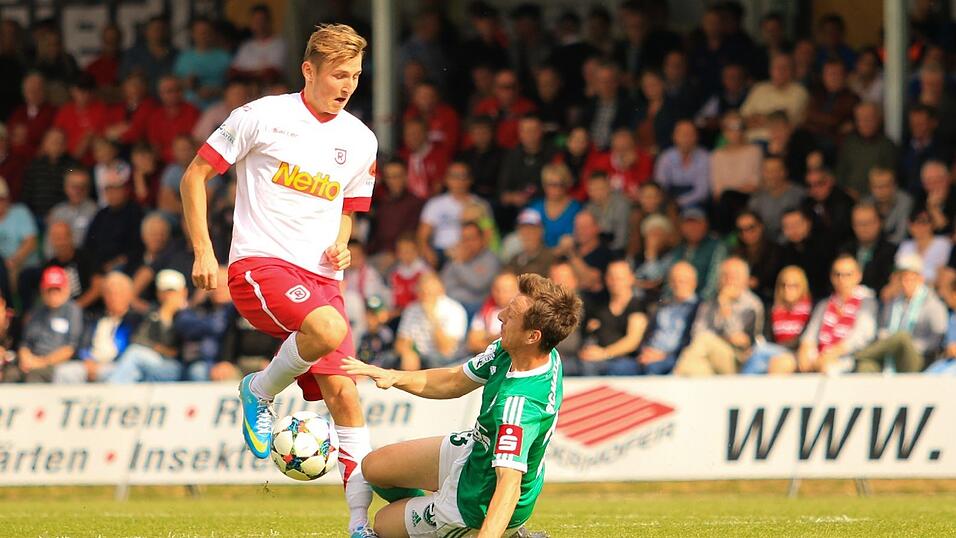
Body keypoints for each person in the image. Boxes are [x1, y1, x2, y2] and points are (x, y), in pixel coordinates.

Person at [179, 24, 378, 537]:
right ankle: (261, 389)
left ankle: (360, 525)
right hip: (260, 267)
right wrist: (205, 249)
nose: (347, 85)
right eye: (338, 74)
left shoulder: (360, 139)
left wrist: (343, 242)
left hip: (323, 281)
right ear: (308, 70)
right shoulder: (262, 116)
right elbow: (194, 176)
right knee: (331, 330)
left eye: (355, 76)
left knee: (347, 399)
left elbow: (349, 209)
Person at [343, 273, 582, 538]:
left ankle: (492, 529)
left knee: (383, 523)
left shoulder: (517, 406)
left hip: (476, 502)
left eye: (511, 314)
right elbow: (455, 381)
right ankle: (432, 508)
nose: (500, 316)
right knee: (374, 467)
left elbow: (509, 484)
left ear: (532, 336)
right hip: (476, 450)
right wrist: (394, 376)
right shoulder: (527, 352)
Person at [778, 255, 878, 374]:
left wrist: (832, 353)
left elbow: (862, 336)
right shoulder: (824, 304)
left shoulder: (867, 301)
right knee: (781, 364)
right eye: (837, 274)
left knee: (827, 367)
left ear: (858, 276)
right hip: (819, 355)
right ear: (832, 277)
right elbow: (810, 335)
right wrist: (804, 352)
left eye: (848, 274)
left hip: (849, 357)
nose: (842, 279)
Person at [853, 255, 947, 373]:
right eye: (902, 279)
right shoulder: (895, 302)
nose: (905, 283)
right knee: (866, 365)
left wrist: (913, 345)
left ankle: (857, 355)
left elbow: (938, 338)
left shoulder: (934, 304)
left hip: (920, 358)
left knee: (902, 337)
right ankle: (862, 359)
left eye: (910, 279)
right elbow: (883, 327)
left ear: (920, 279)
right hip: (892, 354)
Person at [673, 258, 764, 376]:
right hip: (710, 357)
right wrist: (724, 337)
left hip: (737, 361)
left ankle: (674, 377)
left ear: (745, 279)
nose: (729, 280)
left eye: (734, 276)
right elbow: (696, 333)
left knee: (705, 341)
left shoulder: (752, 304)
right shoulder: (709, 303)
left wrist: (725, 304)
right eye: (725, 275)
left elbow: (742, 342)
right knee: (697, 368)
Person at [52, 271, 141, 383]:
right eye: (108, 293)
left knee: (120, 373)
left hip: (117, 365)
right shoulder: (94, 318)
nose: (112, 298)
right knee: (64, 372)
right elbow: (82, 344)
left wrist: (104, 365)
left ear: (128, 295)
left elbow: (132, 350)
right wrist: (87, 360)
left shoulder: (136, 321)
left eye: (117, 293)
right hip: (89, 364)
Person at [1, 266, 82, 383]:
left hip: (56, 363)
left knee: (34, 377)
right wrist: (25, 358)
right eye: (50, 289)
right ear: (43, 290)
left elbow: (70, 349)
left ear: (65, 289)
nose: (53, 294)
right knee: (11, 374)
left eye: (57, 289)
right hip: (33, 361)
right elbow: (25, 343)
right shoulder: (36, 312)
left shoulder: (73, 310)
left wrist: (43, 362)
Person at [106, 269, 187, 383]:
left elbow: (177, 351)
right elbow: (138, 340)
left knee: (134, 355)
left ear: (183, 292)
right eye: (164, 291)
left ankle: (110, 396)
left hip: (176, 366)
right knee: (105, 372)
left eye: (172, 291)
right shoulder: (152, 312)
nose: (167, 296)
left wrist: (166, 316)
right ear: (158, 293)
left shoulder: (188, 314)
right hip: (150, 361)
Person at [579, 260, 647, 375]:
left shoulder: (637, 306)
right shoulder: (599, 307)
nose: (615, 282)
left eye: (620, 278)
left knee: (592, 367)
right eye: (611, 277)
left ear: (631, 279)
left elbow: (633, 341)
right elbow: (589, 334)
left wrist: (605, 353)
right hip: (597, 359)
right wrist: (587, 350)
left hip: (627, 361)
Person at [741, 267, 813, 375]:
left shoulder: (811, 309)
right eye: (784, 285)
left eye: (794, 285)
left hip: (796, 354)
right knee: (758, 360)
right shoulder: (772, 310)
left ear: (802, 287)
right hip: (772, 352)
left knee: (759, 352)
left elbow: (805, 339)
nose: (788, 289)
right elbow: (766, 337)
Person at [417, 162, 489, 268]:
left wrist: (471, 251)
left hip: (471, 252)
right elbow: (422, 236)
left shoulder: (480, 204)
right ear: (446, 179)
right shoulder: (435, 204)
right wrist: (428, 253)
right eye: (454, 176)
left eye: (463, 176)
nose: (459, 181)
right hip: (440, 253)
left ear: (470, 179)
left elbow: (488, 235)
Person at [395, 271, 468, 371]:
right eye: (422, 291)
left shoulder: (454, 310)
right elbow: (401, 342)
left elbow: (446, 349)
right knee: (390, 359)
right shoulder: (412, 309)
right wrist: (408, 352)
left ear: (441, 291)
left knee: (433, 361)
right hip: (419, 357)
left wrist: (432, 317)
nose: (425, 295)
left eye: (429, 292)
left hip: (446, 360)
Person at [636, 261, 699, 375]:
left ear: (693, 282)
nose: (678, 284)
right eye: (674, 280)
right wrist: (646, 350)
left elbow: (694, 341)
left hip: (675, 357)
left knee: (652, 368)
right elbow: (648, 334)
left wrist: (663, 355)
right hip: (648, 355)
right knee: (617, 367)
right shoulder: (662, 307)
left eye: (682, 281)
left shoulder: (700, 308)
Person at [740, 53, 809, 142]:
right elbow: (742, 119)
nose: (781, 71)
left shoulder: (799, 91)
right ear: (770, 70)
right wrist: (771, 117)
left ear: (792, 71)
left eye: (785, 67)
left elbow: (784, 120)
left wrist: (757, 117)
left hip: (776, 143)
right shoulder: (759, 88)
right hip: (747, 141)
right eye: (777, 67)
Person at [835, 103, 898, 198]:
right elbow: (840, 173)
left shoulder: (887, 145)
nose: (865, 123)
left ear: (878, 119)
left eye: (869, 119)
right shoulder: (848, 142)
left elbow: (890, 177)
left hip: (877, 197)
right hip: (848, 196)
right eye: (860, 119)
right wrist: (846, 191)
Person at [441, 222, 501, 317]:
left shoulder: (490, 258)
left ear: (481, 239)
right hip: (453, 305)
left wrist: (459, 263)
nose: (467, 243)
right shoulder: (458, 256)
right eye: (464, 239)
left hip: (476, 308)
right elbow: (444, 283)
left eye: (471, 238)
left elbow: (478, 285)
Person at [840, 203, 898, 293]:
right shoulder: (845, 250)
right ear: (853, 226)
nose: (864, 228)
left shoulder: (892, 251)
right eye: (859, 223)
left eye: (869, 222)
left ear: (880, 223)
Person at [652, 120, 710, 210]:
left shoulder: (704, 157)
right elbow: (660, 185)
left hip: (695, 202)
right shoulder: (666, 157)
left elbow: (702, 191)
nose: (686, 138)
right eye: (682, 134)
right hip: (669, 200)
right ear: (674, 136)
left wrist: (678, 202)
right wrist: (670, 203)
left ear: (696, 137)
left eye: (690, 134)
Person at [527, 163, 581, 248]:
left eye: (561, 184)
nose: (557, 189)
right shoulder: (535, 207)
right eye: (551, 185)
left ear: (566, 185)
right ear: (544, 185)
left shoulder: (576, 208)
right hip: (539, 256)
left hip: (566, 257)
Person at [230, 4, 288, 83]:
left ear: (269, 21)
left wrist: (246, 73)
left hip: (271, 87)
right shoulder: (246, 46)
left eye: (262, 20)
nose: (259, 24)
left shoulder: (279, 44)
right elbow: (234, 72)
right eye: (255, 21)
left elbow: (272, 73)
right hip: (246, 87)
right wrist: (257, 73)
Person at [894, 209, 953, 287]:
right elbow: (897, 274)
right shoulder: (905, 245)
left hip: (932, 292)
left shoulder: (943, 243)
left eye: (924, 222)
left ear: (932, 224)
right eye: (914, 222)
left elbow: (942, 275)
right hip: (904, 290)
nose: (919, 226)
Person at [466, 272, 520, 354]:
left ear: (517, 291)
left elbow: (516, 342)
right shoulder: (486, 310)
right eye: (497, 289)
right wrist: (498, 338)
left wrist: (487, 338)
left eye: (506, 290)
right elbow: (473, 343)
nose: (500, 294)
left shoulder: (522, 313)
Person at [861, 167, 913, 244]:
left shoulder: (905, 201)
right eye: (876, 187)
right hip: (873, 249)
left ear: (894, 185)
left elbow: (902, 235)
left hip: (898, 248)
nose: (881, 191)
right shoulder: (865, 203)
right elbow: (862, 235)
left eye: (885, 186)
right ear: (870, 187)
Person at [583, 171, 631, 252]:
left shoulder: (621, 205)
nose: (596, 193)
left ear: (609, 187)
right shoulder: (589, 207)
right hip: (596, 249)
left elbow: (621, 240)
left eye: (600, 188)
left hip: (618, 250)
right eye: (592, 189)